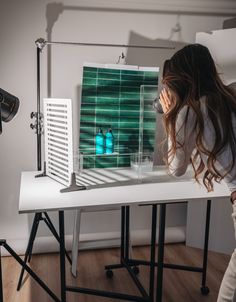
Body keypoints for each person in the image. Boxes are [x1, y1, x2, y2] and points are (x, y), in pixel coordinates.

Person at [159, 43, 236, 302]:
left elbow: (175, 168)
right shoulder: (231, 96)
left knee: (232, 285)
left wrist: (170, 117)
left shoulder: (188, 112)